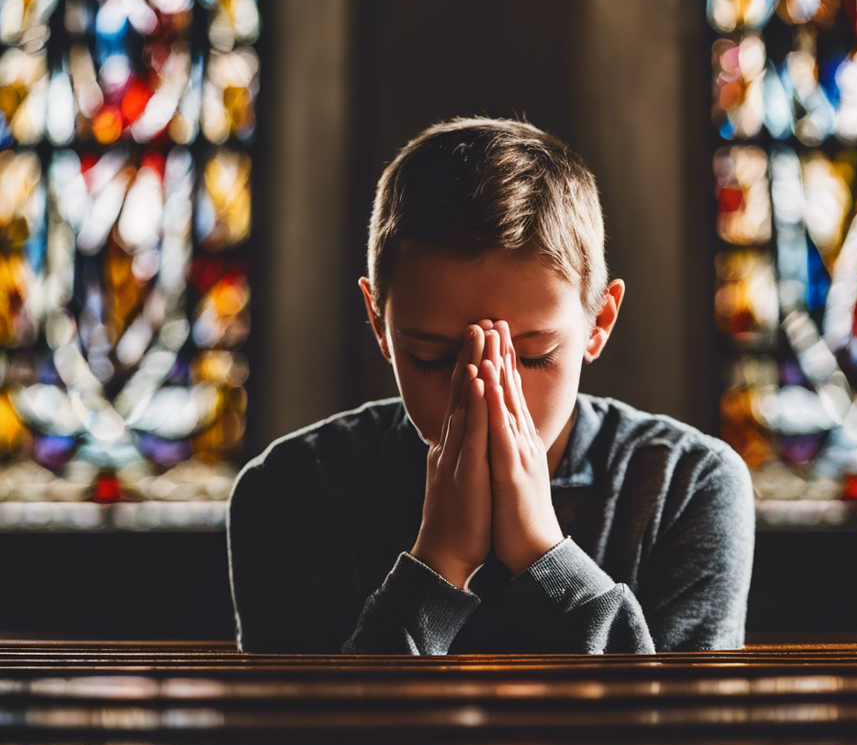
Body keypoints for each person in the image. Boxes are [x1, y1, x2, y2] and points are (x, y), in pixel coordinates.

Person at [227, 117, 755, 654]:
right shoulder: (291, 490)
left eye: (532, 355)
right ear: (378, 323)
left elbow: (672, 731)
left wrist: (542, 553)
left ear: (599, 321)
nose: (484, 388)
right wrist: (439, 563)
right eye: (433, 357)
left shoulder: (688, 487)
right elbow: (314, 735)